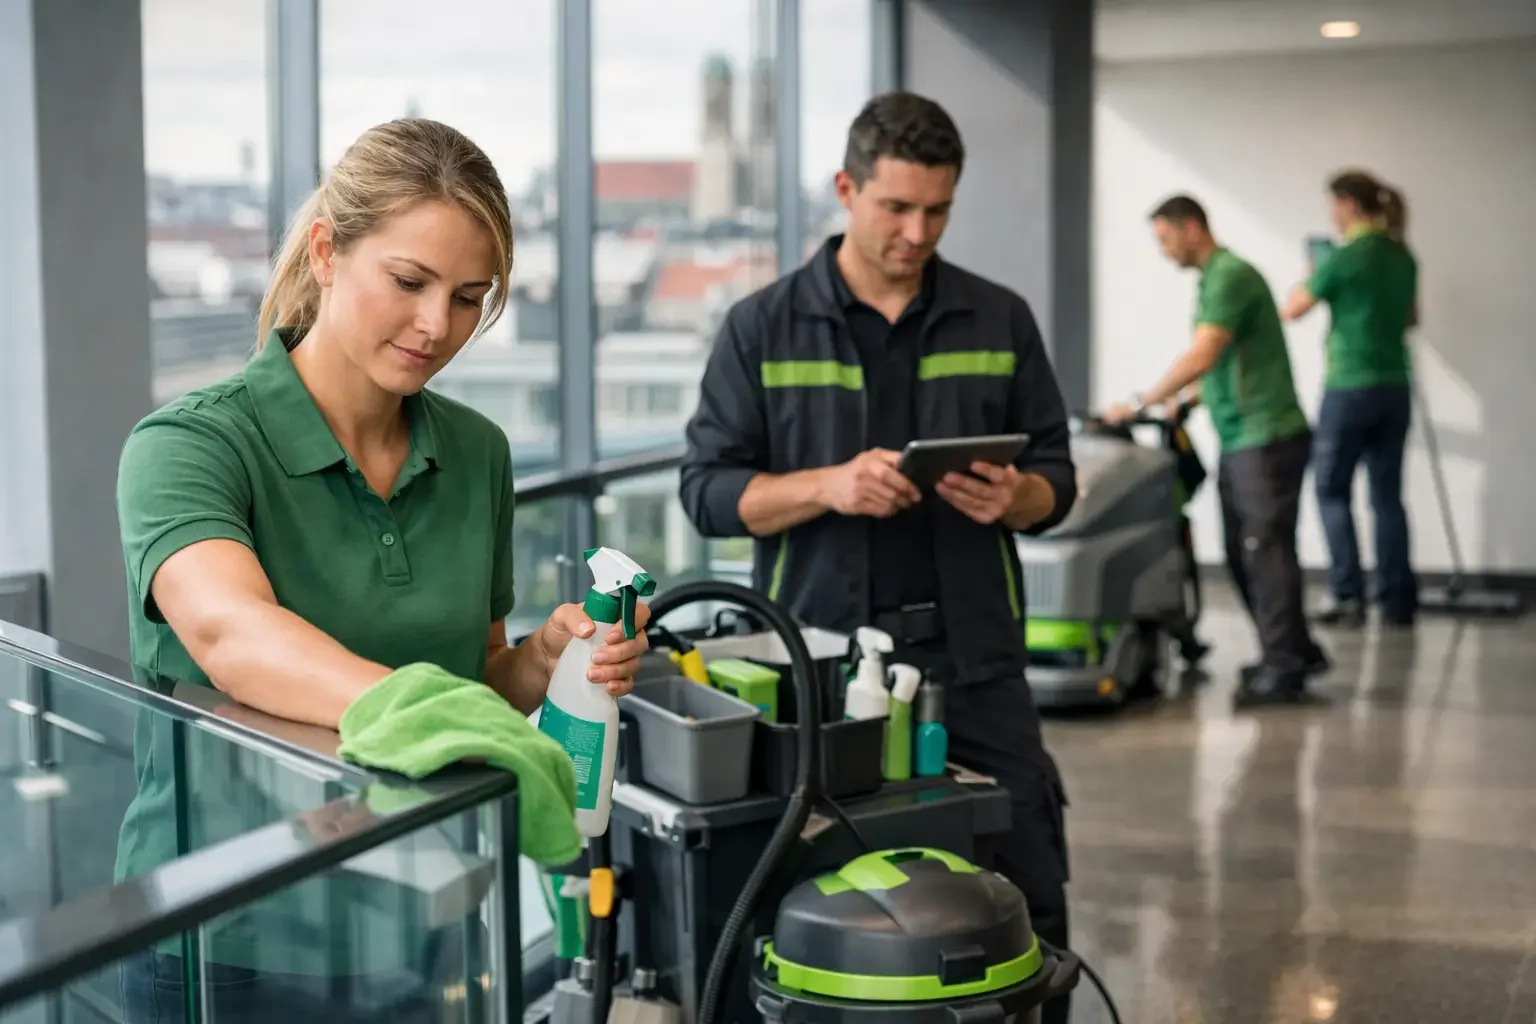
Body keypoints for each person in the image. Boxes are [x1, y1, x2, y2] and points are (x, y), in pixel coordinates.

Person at [114, 118, 651, 1021]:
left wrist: (544, 660)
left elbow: (475, 673)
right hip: (225, 941)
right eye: (409, 282)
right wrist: (431, 710)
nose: (436, 326)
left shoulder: (476, 452)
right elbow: (229, 634)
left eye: (469, 296)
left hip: (424, 918)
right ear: (326, 251)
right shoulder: (191, 445)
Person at [678, 91, 1079, 1024]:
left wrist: (1019, 498)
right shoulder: (761, 327)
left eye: (936, 211)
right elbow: (705, 493)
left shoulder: (999, 318)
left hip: (976, 664)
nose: (916, 231)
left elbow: (1055, 476)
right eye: (895, 208)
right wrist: (826, 486)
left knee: (1031, 890)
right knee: (813, 896)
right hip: (816, 677)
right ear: (846, 189)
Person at [1104, 195, 1327, 707]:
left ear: (1190, 228)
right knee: (1244, 549)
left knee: (1262, 552)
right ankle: (1294, 648)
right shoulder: (1215, 279)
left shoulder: (1229, 275)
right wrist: (1186, 401)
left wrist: (1140, 401)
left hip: (1265, 437)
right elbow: (1226, 362)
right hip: (1242, 435)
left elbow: (1205, 352)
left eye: (1164, 239)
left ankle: (1284, 664)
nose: (1163, 251)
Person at [1282, 171, 1420, 628]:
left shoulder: (1344, 258)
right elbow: (1411, 319)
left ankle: (1347, 595)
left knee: (1330, 488)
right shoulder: (1403, 257)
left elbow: (1294, 309)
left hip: (1349, 386)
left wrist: (1310, 272)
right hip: (1395, 386)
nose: (1331, 215)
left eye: (1333, 206)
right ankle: (1398, 600)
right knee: (1387, 496)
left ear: (1347, 205)